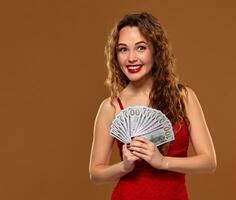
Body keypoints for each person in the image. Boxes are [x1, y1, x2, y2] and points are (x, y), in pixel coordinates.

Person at [89, 12, 217, 200]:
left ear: (156, 50)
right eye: (123, 49)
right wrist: (124, 166)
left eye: (140, 48)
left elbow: (209, 162)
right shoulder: (110, 107)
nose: (131, 58)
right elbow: (96, 173)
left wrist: (163, 162)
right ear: (115, 55)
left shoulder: (183, 97)